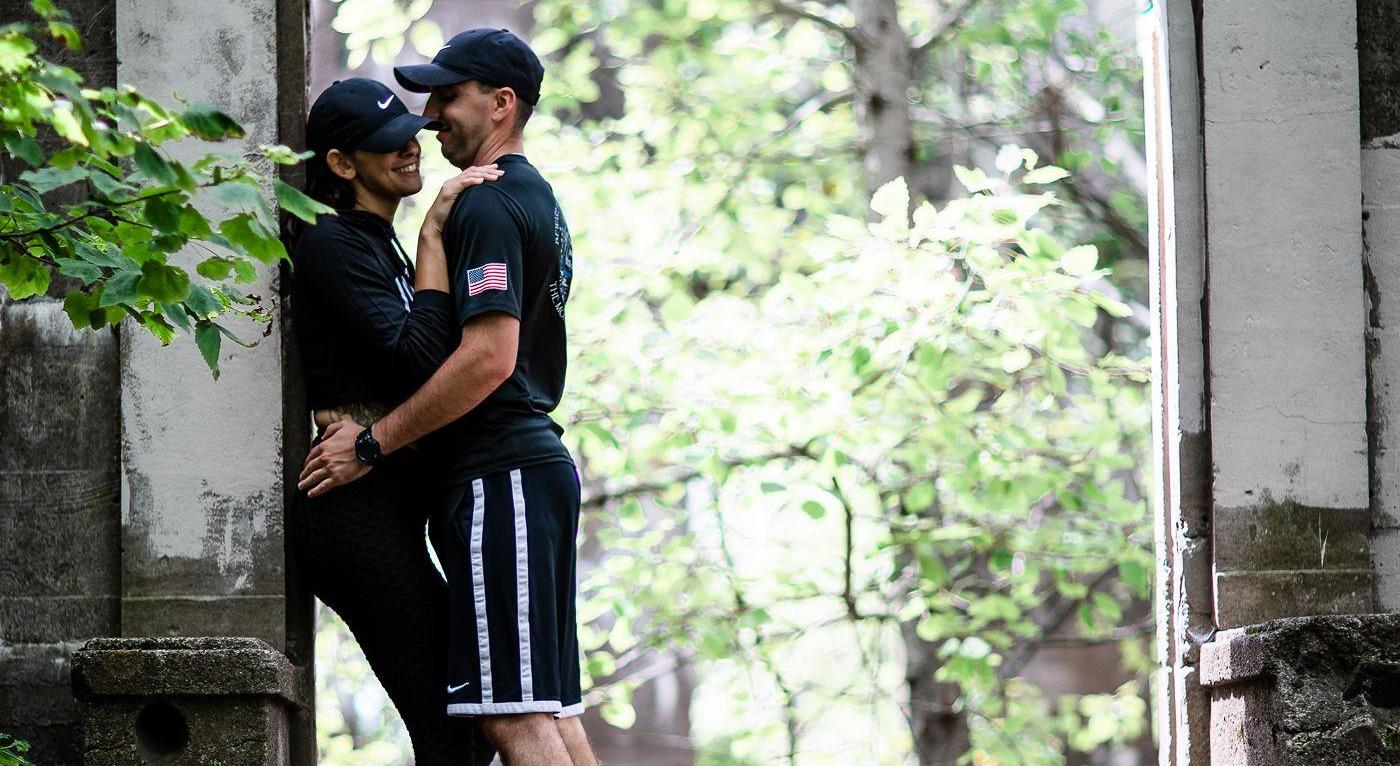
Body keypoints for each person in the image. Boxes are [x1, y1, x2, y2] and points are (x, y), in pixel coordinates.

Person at [298, 30, 597, 766]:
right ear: (341, 163)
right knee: (534, 713)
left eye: (447, 97)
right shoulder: (527, 196)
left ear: (501, 104)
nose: (429, 120)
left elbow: (486, 359)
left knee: (512, 718)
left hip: (503, 470)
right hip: (514, 474)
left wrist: (372, 442)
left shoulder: (485, 206)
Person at [284, 77, 504, 766]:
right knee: (451, 729)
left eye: (410, 134)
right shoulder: (332, 242)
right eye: (388, 143)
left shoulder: (375, 244)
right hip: (351, 511)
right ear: (342, 164)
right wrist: (433, 234)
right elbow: (418, 362)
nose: (411, 148)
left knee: (473, 724)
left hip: (386, 501)